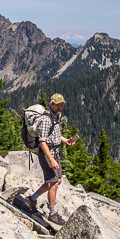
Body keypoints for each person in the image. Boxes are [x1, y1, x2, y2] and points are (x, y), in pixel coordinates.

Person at [25, 93, 75, 225]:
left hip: (55, 152)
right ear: (51, 104)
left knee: (56, 181)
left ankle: (32, 198)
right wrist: (51, 159)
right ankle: (52, 214)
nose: (60, 107)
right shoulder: (46, 119)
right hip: (48, 154)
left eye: (62, 104)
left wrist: (66, 140)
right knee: (53, 183)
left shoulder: (56, 116)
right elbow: (42, 141)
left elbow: (55, 133)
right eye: (58, 105)